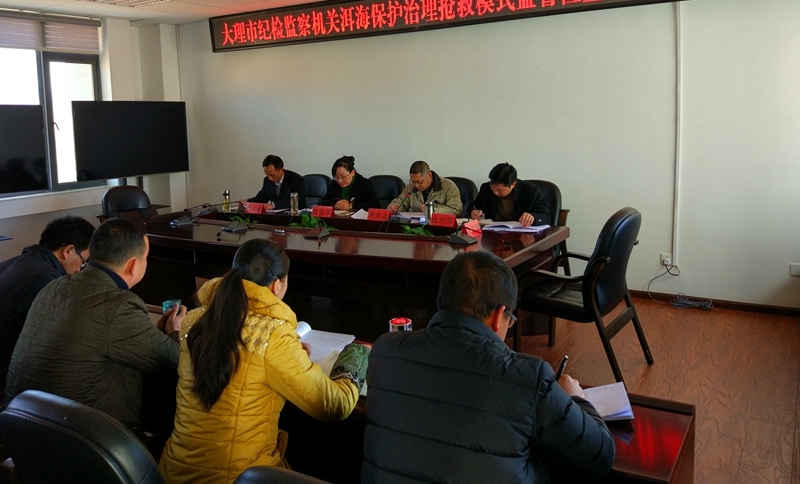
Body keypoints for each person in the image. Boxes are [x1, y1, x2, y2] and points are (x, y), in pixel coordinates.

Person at [362, 251, 615, 483]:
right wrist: (576, 399)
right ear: (497, 316)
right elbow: (599, 454)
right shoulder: (528, 376)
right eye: (510, 319)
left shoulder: (385, 351)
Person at [159, 238, 369, 484]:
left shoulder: (193, 320)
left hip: (173, 472)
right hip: (240, 477)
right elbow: (334, 405)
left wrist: (289, 355)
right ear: (277, 286)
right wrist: (357, 354)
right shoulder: (272, 335)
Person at [3, 218, 186, 429]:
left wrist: (156, 333)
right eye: (145, 257)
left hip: (20, 424)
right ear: (133, 265)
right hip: (81, 436)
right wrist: (175, 332)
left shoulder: (54, 286)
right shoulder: (118, 304)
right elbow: (177, 362)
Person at [0, 216, 95, 397]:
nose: (80, 269)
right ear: (68, 251)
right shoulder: (48, 282)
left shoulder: (12, 264)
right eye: (84, 261)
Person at [470, 162, 551, 227]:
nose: (495, 192)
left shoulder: (531, 191)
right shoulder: (486, 188)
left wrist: (533, 217)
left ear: (513, 184)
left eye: (500, 190)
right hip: (492, 233)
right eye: (493, 188)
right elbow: (473, 207)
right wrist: (474, 213)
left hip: (520, 235)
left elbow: (546, 217)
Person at [387, 160, 462, 216]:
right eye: (413, 181)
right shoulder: (410, 187)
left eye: (419, 182)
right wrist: (393, 207)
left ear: (429, 175)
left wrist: (432, 210)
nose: (416, 185)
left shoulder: (448, 186)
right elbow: (400, 202)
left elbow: (457, 210)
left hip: (439, 226)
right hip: (417, 226)